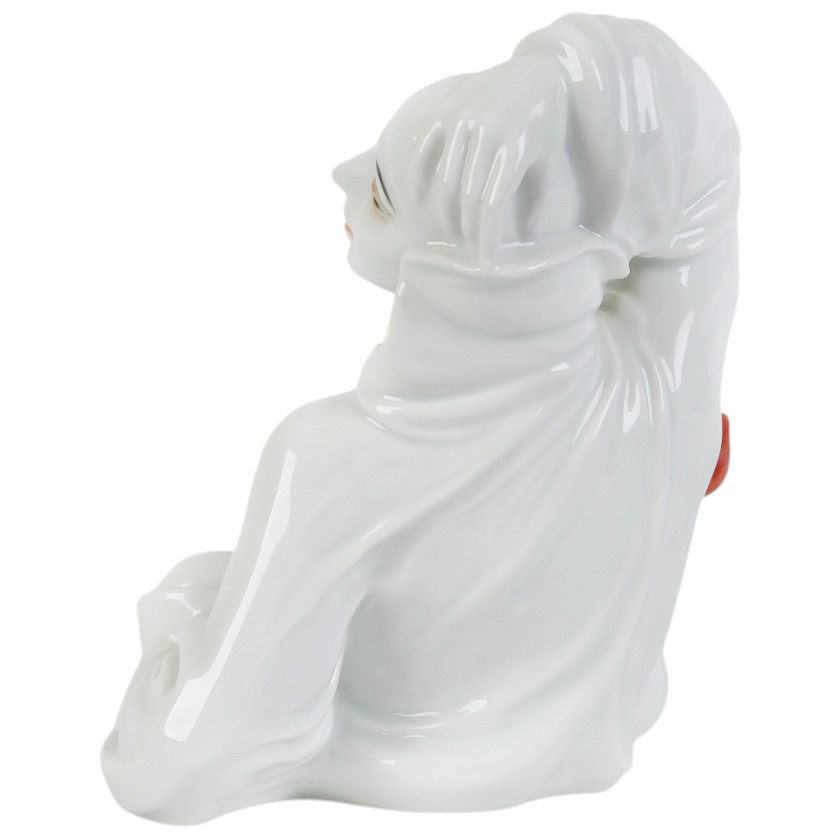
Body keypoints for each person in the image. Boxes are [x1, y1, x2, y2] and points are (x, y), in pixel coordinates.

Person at [102, 13, 739, 823]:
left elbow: (182, 772)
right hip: (607, 771)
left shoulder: (331, 461)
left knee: (198, 586)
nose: (341, 174)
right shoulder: (654, 385)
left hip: (395, 791)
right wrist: (557, 81)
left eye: (379, 191)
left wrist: (176, 620)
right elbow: (707, 166)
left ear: (447, 258)